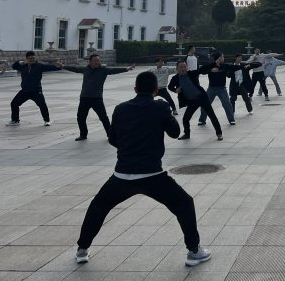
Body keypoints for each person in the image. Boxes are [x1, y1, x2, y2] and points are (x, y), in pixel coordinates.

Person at [74, 71, 211, 267]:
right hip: (152, 175)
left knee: (98, 207)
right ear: (156, 90)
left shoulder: (120, 109)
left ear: (135, 89)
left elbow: (113, 139)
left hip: (122, 175)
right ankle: (194, 251)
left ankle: (82, 250)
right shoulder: (160, 106)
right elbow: (175, 133)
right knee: (184, 204)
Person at [64, 55, 134, 141]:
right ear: (90, 62)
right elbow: (75, 68)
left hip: (97, 98)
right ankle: (83, 134)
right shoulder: (86, 69)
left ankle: (110, 135)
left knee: (103, 117)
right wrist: (63, 66)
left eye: (98, 61)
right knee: (80, 117)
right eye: (95, 61)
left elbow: (114, 70)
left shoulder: (103, 70)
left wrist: (126, 69)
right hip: (84, 98)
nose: (97, 62)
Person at [168, 61, 223, 140]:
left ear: (187, 67)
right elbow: (170, 87)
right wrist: (175, 90)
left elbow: (202, 69)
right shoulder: (175, 78)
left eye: (184, 66)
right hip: (192, 101)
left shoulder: (191, 74)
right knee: (185, 119)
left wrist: (214, 64)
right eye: (181, 67)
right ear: (177, 69)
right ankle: (187, 134)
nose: (183, 68)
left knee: (212, 115)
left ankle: (219, 133)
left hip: (202, 97)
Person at [7, 51, 63, 127]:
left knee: (42, 105)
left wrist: (59, 67)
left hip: (36, 91)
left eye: (33, 58)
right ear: (26, 59)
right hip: (25, 91)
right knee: (14, 103)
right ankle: (15, 120)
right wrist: (19, 62)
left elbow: (49, 67)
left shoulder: (39, 66)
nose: (32, 60)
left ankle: (47, 120)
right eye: (30, 58)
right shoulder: (23, 66)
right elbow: (14, 66)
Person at [197, 53, 237, 126]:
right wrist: (211, 71)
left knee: (227, 104)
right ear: (219, 58)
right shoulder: (211, 65)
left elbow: (229, 73)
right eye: (223, 57)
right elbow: (202, 71)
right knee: (205, 103)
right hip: (211, 88)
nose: (223, 58)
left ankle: (231, 120)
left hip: (222, 89)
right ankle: (202, 120)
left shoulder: (224, 66)